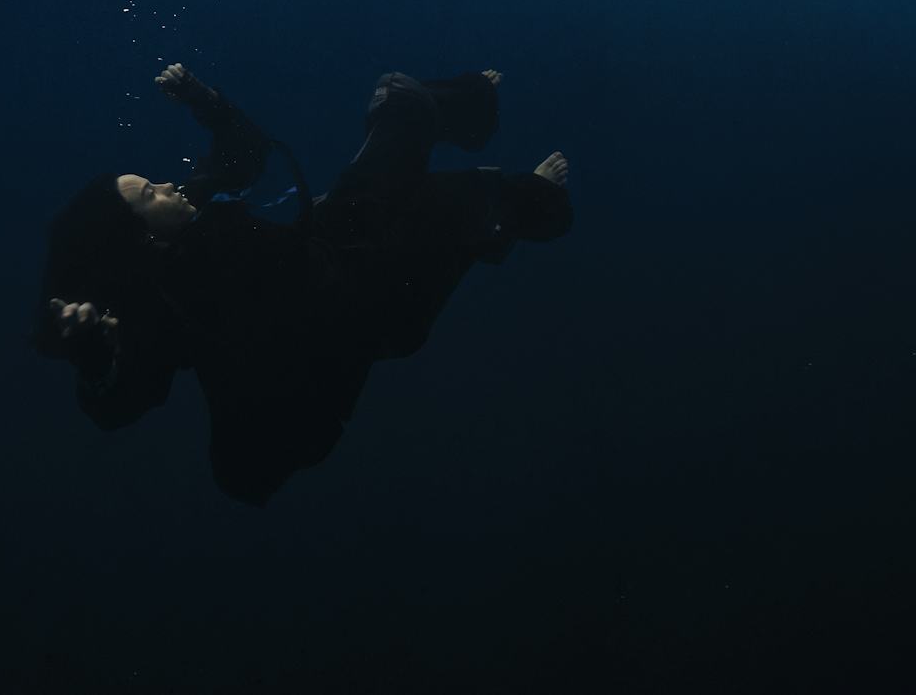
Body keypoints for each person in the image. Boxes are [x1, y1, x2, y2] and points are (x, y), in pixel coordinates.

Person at [33, 63, 572, 505]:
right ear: (144, 241)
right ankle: (516, 204)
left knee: (401, 100)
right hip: (367, 303)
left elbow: (244, 154)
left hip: (341, 237)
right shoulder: (171, 300)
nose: (169, 184)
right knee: (467, 195)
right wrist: (96, 358)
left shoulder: (188, 216)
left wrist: (204, 100)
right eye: (150, 193)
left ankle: (480, 146)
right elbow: (122, 401)